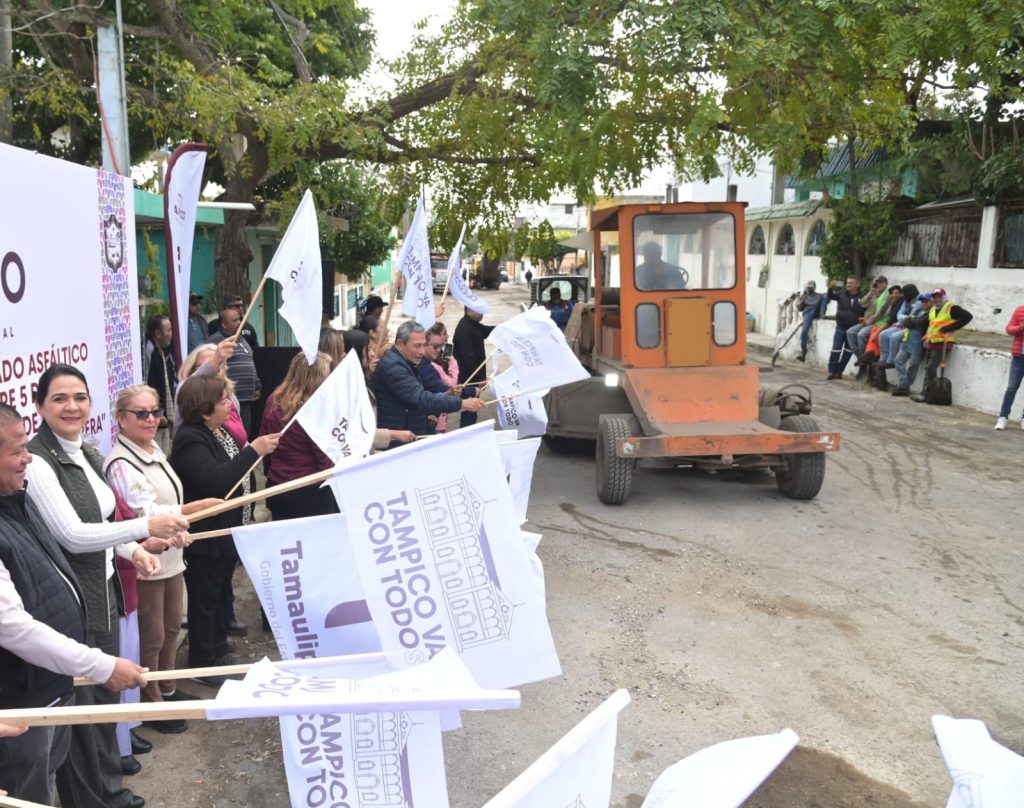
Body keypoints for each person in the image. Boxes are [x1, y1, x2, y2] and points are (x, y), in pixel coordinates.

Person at [25, 364, 182, 808]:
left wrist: (137, 550)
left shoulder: (87, 452)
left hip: (104, 595)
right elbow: (73, 535)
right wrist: (146, 526)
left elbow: (105, 525)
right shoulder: (38, 461)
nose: (71, 406)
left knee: (103, 704)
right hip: (72, 604)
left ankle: (110, 791)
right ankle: (93, 800)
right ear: (39, 407)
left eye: (79, 397)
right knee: (84, 711)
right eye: (59, 398)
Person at [0, 402, 148, 805]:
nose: (27, 457)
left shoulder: (17, 497)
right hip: (18, 702)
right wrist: (101, 665)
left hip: (48, 685)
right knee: (27, 793)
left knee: (45, 781)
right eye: (16, 451)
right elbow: (11, 626)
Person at [105, 385, 220, 733]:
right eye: (141, 414)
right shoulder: (121, 463)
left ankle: (167, 687)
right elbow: (146, 512)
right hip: (147, 559)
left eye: (155, 411)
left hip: (171, 554)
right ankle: (151, 700)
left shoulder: (153, 448)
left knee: (172, 626)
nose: (151, 419)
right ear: (121, 419)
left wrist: (178, 528)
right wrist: (191, 511)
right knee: (151, 635)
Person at [170, 375, 279, 686]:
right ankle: (203, 661)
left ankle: (218, 650)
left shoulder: (217, 431)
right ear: (205, 409)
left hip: (228, 530)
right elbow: (217, 480)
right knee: (204, 599)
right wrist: (254, 451)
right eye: (223, 401)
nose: (230, 405)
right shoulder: (190, 438)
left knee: (218, 595)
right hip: (206, 536)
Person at [373, 321, 485, 445]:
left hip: (409, 431)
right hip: (398, 439)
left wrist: (444, 396)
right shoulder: (394, 367)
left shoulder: (406, 361)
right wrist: (462, 403)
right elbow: (421, 399)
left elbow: (415, 398)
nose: (422, 351)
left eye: (423, 345)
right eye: (417, 346)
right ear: (400, 344)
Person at [258, 352, 337, 520]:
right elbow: (324, 460)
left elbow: (265, 442)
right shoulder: (314, 409)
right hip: (309, 490)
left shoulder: (274, 399)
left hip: (277, 485)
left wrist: (270, 472)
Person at [343, 330, 416, 451]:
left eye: (372, 349)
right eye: (367, 350)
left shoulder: (363, 380)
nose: (372, 354)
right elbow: (360, 431)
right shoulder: (349, 388)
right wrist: (394, 434)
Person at [911, 288, 973, 404]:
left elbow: (967, 317)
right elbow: (931, 326)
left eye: (939, 297)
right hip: (932, 341)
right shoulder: (933, 309)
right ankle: (926, 392)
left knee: (930, 367)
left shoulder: (951, 307)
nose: (937, 299)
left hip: (943, 343)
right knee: (928, 367)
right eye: (935, 297)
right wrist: (926, 340)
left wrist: (950, 328)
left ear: (944, 297)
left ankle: (929, 394)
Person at [208, 306, 261, 437]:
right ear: (224, 324)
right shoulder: (217, 342)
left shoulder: (243, 340)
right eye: (234, 320)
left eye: (239, 319)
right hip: (229, 399)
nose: (239, 323)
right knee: (232, 434)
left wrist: (257, 384)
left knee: (244, 433)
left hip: (246, 398)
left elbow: (250, 362)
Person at [453, 306, 494, 427]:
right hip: (467, 377)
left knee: (472, 409)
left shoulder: (473, 324)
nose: (482, 313)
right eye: (478, 310)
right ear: (468, 310)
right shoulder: (464, 328)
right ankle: (466, 434)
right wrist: (480, 377)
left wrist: (507, 328)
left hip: (473, 375)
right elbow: (469, 356)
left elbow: (487, 331)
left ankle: (468, 432)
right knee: (469, 409)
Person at [421, 322, 462, 434]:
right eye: (445, 333)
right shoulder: (431, 366)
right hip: (436, 417)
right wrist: (453, 364)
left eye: (440, 347)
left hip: (438, 414)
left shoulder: (437, 358)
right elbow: (451, 386)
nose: (448, 336)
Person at [144, 314, 176, 455]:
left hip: (165, 415)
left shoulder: (164, 352)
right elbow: (148, 385)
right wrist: (157, 411)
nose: (171, 334)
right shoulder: (148, 352)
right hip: (156, 416)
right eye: (168, 330)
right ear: (157, 333)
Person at [891, 292, 932, 396]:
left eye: (926, 301)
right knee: (898, 361)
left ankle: (904, 387)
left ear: (931, 302)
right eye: (922, 301)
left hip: (918, 342)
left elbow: (920, 322)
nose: (924, 303)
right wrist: (911, 321)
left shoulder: (931, 313)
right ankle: (904, 384)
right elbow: (907, 321)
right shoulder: (918, 310)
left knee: (913, 366)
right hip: (908, 339)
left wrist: (911, 321)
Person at [826, 276, 862, 380]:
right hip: (841, 327)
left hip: (853, 330)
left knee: (848, 351)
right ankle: (832, 371)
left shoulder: (862, 296)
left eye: (851, 283)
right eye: (847, 283)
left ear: (857, 284)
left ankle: (839, 372)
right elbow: (830, 296)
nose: (848, 285)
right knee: (836, 349)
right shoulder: (841, 294)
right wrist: (830, 288)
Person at [995, 304, 1024, 430]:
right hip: (1019, 356)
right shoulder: (1020, 310)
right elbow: (1009, 329)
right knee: (1011, 387)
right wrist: (1020, 328)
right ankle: (1003, 417)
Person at [877, 284, 919, 371]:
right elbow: (899, 315)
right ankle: (883, 360)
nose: (903, 295)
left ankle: (891, 361)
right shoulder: (906, 302)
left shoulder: (919, 302)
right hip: (901, 324)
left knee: (894, 337)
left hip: (910, 328)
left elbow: (912, 317)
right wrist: (903, 320)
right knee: (883, 334)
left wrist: (903, 320)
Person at [847, 275, 888, 361]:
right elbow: (862, 304)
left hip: (875, 321)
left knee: (861, 335)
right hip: (866, 320)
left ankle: (864, 357)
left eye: (881, 283)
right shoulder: (874, 293)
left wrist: (869, 321)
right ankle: (861, 356)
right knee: (850, 332)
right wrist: (870, 294)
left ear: (886, 284)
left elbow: (880, 313)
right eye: (877, 283)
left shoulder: (886, 295)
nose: (879, 285)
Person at [795, 281, 826, 362]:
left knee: (825, 297)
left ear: (814, 288)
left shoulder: (819, 296)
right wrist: (802, 300)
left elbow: (827, 298)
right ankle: (803, 352)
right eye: (808, 287)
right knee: (804, 331)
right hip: (808, 314)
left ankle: (822, 313)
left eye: (811, 287)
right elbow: (800, 309)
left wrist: (822, 312)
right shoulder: (805, 296)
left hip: (817, 312)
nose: (809, 289)